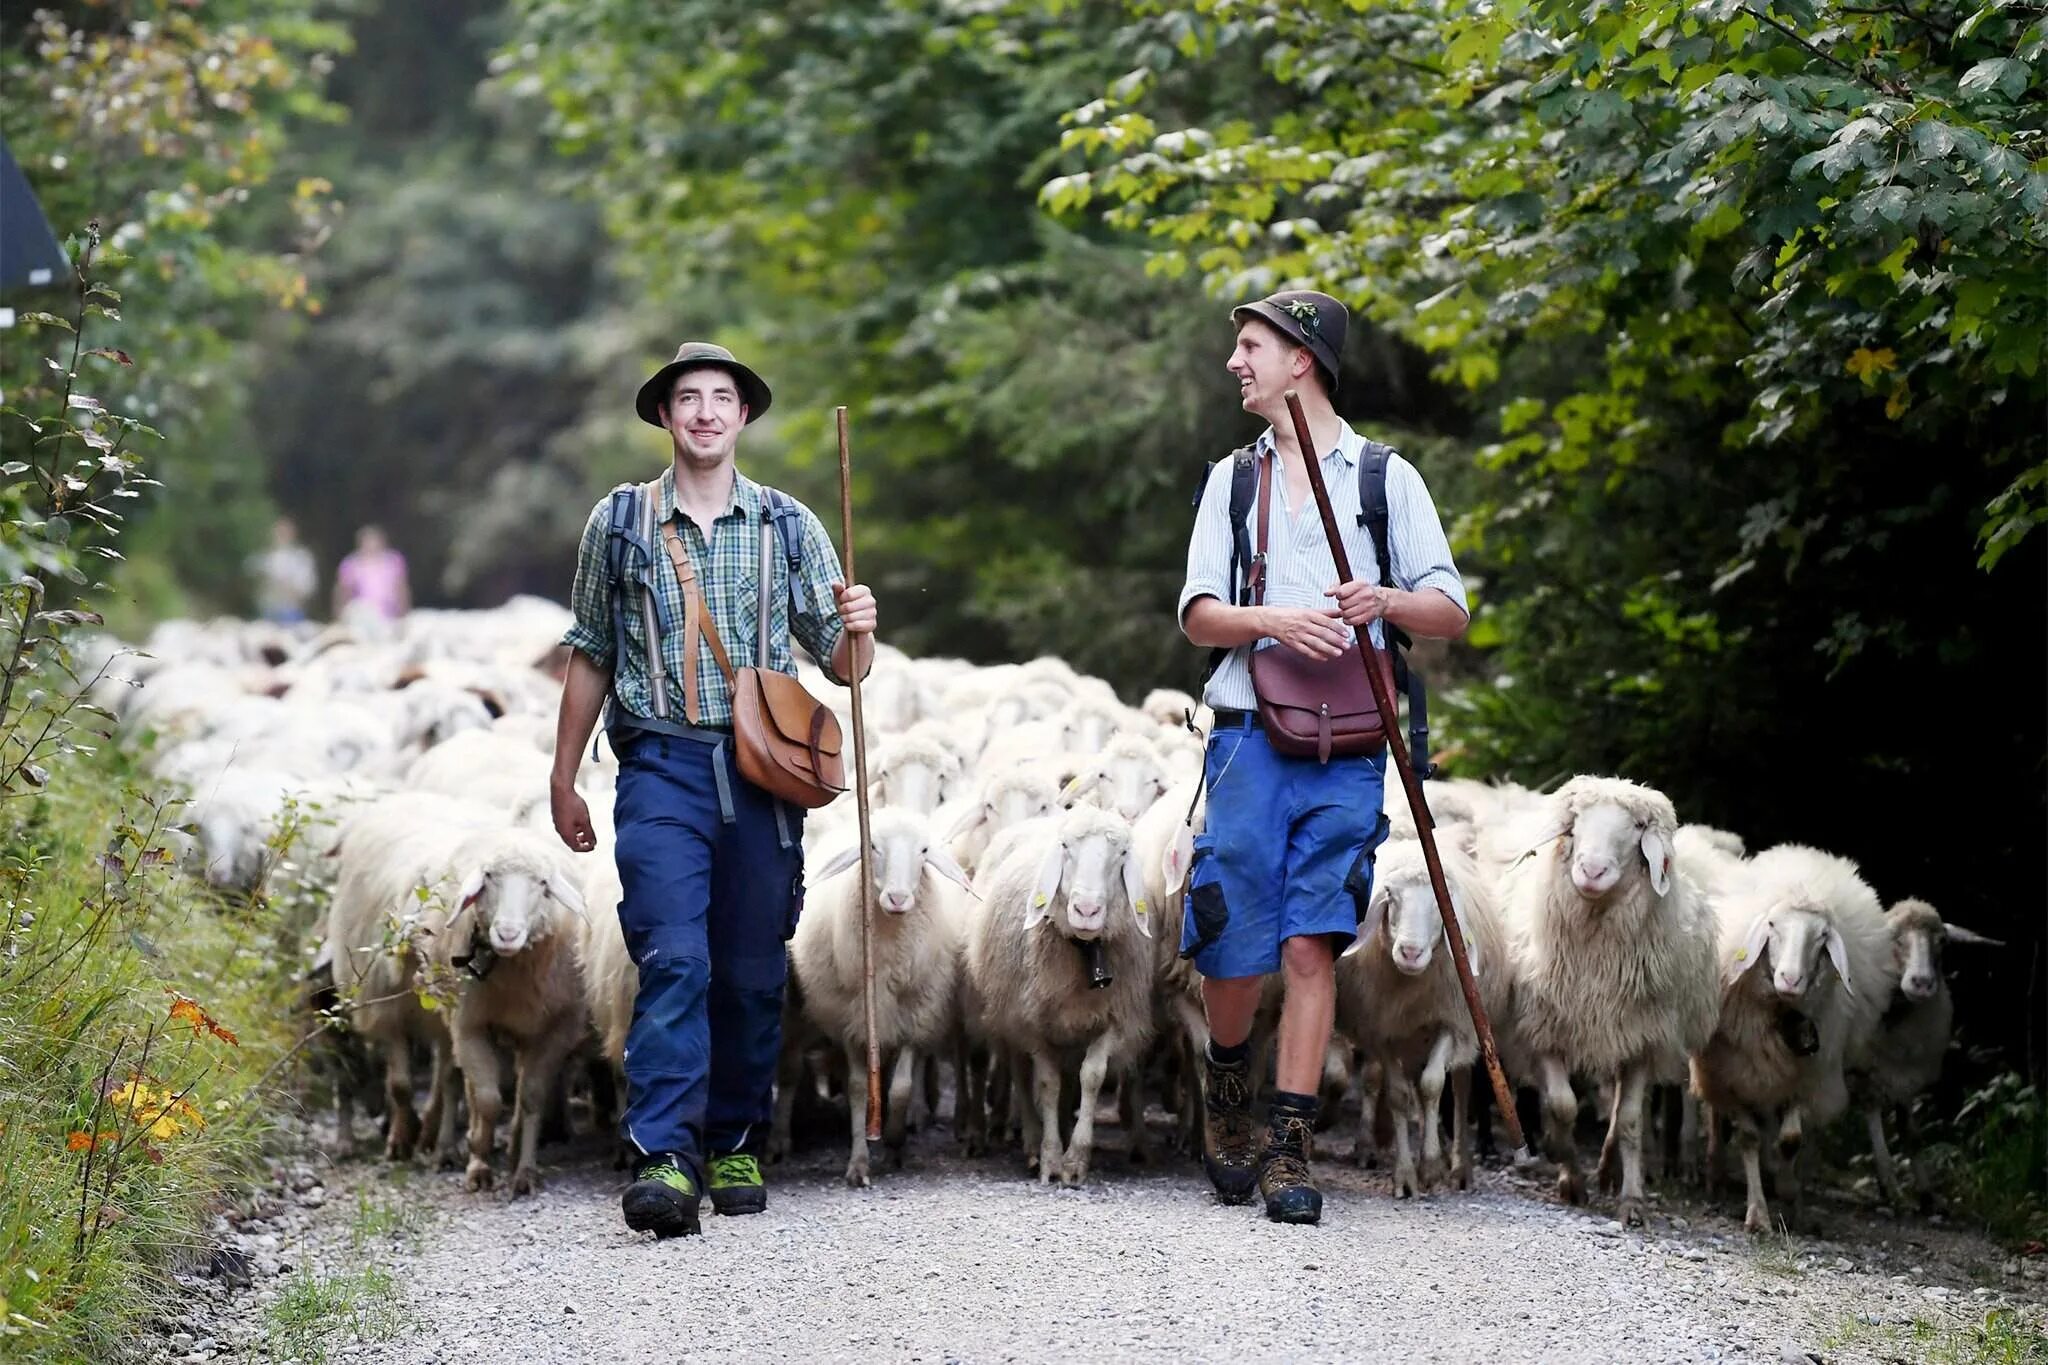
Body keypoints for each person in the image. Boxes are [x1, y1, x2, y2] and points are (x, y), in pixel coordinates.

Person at [549, 341, 877, 1239]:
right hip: (659, 764)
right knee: (673, 956)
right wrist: (564, 774)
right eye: (686, 398)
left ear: (742, 416)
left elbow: (843, 664)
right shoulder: (618, 524)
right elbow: (590, 650)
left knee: (748, 967)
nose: (702, 413)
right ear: (663, 415)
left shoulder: (788, 525)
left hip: (762, 771)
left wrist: (860, 627)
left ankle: (735, 1133)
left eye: (720, 398)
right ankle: (666, 1152)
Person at [1178, 290, 1469, 1225]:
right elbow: (1196, 615)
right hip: (1247, 738)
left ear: (1301, 359)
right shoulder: (1232, 482)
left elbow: (1450, 610)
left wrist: (1381, 601)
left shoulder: (1386, 480)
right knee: (1230, 930)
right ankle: (1227, 1086)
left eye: (1251, 346)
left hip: (1349, 745)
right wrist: (1272, 620)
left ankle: (1289, 1141)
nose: (1236, 362)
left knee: (1314, 936)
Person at [332, 524, 411, 622]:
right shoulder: (351, 564)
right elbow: (343, 592)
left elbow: (401, 589)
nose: (372, 545)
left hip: (390, 616)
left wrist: (404, 615)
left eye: (374, 541)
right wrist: (339, 616)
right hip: (362, 617)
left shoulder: (394, 561)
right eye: (368, 542)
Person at [250, 516, 317, 625]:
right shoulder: (265, 557)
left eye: (286, 532)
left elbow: (307, 587)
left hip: (292, 611)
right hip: (268, 610)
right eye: (279, 532)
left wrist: (287, 588)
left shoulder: (301, 558)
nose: (282, 535)